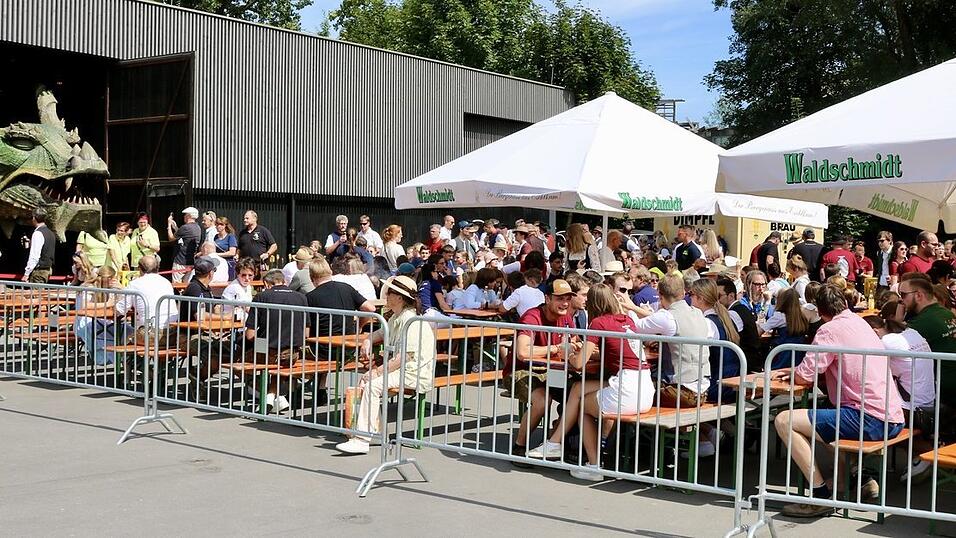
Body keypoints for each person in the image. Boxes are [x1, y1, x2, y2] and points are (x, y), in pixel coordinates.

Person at [772, 284, 904, 518]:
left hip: (869, 416)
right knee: (824, 417)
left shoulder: (829, 330)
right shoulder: (859, 322)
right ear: (843, 303)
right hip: (891, 415)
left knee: (784, 420)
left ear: (821, 312)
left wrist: (792, 371)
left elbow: (808, 374)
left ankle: (819, 496)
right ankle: (852, 479)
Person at [528, 283, 654, 481]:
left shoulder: (599, 323)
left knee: (581, 407)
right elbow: (611, 353)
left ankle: (593, 465)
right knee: (578, 388)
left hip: (627, 388)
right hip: (644, 386)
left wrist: (568, 353)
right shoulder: (627, 320)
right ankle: (554, 444)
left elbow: (578, 364)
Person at [337, 275, 435, 454]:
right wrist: (368, 340)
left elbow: (405, 357)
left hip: (414, 372)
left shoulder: (411, 321)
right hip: (405, 369)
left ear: (399, 297)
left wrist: (377, 371)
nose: (386, 296)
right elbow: (381, 333)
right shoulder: (397, 317)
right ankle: (372, 429)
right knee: (366, 383)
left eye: (389, 292)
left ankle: (362, 439)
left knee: (373, 385)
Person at [507, 279, 579, 461]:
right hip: (522, 371)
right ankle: (519, 447)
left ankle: (555, 442)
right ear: (547, 299)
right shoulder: (532, 316)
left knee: (578, 397)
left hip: (554, 371)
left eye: (568, 299)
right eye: (559, 298)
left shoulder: (567, 318)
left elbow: (576, 342)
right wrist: (556, 348)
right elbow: (523, 352)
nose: (564, 303)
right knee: (543, 400)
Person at [864, 311, 937, 482]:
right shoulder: (911, 333)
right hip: (928, 402)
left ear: (874, 333)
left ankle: (929, 453)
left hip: (913, 408)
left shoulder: (886, 342)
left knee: (879, 422)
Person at [631, 273, 711, 406]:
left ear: (660, 296)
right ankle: (710, 428)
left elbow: (635, 327)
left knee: (632, 389)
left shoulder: (667, 316)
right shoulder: (698, 313)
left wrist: (630, 309)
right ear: (684, 292)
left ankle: (630, 427)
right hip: (703, 391)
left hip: (681, 391)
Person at [243, 269, 308, 413]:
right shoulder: (301, 298)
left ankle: (267, 396)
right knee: (279, 365)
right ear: (284, 281)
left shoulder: (261, 296)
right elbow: (306, 332)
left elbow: (249, 335)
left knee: (240, 361)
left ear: (266, 283)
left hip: (268, 352)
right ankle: (275, 397)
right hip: (292, 354)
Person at [898, 276, 956, 409]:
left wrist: (897, 318)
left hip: (941, 388)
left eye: (903, 295)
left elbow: (892, 343)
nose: (901, 300)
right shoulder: (946, 313)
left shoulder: (922, 323)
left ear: (918, 295)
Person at [306, 257, 375, 338]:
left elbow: (306, 329)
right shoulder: (347, 288)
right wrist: (358, 326)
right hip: (348, 344)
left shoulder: (309, 297)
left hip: (321, 346)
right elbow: (370, 308)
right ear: (330, 272)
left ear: (311, 277)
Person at [114, 255, 176, 340]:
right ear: (157, 267)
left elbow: (120, 310)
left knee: (123, 338)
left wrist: (115, 297)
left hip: (150, 334)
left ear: (139, 269)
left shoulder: (135, 284)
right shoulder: (166, 282)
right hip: (172, 333)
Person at [717, 276, 759, 374]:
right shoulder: (741, 309)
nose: (716, 300)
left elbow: (728, 337)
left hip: (744, 366)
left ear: (731, 296)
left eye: (719, 296)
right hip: (749, 362)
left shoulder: (733, 314)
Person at [760, 288, 810, 369]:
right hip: (797, 357)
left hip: (782, 356)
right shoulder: (801, 316)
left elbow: (760, 330)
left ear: (781, 301)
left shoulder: (780, 316)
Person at [167, 207, 203, 283]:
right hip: (190, 261)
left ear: (189, 216)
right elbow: (185, 236)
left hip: (180, 261)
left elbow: (171, 238)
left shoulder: (185, 227)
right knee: (186, 284)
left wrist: (169, 225)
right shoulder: (197, 227)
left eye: (185, 215)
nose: (184, 217)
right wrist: (176, 227)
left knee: (176, 284)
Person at [22, 207, 55, 283]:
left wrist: (26, 273)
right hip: (47, 270)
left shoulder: (37, 233)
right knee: (41, 294)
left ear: (34, 218)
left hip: (39, 271)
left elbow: (34, 256)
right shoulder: (51, 233)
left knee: (36, 294)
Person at [179, 257, 215, 322]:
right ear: (210, 273)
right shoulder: (194, 288)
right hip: (193, 331)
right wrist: (224, 317)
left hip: (205, 328)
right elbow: (199, 315)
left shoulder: (206, 287)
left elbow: (214, 307)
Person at [221, 257, 256, 321]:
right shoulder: (234, 287)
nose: (247, 278)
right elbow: (248, 309)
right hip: (232, 324)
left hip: (243, 322)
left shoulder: (248, 286)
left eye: (250, 275)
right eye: (243, 275)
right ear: (237, 274)